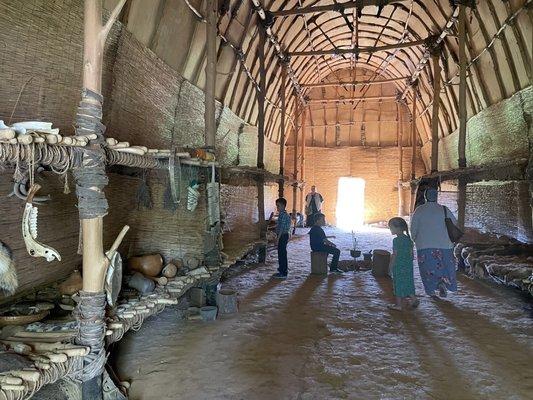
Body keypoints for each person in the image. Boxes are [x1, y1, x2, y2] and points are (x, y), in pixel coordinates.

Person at [410, 188, 458, 298]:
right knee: (444, 266)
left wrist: (414, 239)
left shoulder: (419, 210)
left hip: (425, 245)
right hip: (445, 245)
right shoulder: (444, 209)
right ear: (436, 197)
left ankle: (431, 290)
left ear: (426, 196)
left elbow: (413, 228)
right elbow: (454, 223)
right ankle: (442, 283)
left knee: (428, 269)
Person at [387, 217, 419, 311]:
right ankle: (414, 299)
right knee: (407, 282)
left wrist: (390, 266)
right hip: (408, 266)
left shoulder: (396, 241)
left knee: (398, 284)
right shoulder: (408, 240)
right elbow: (412, 255)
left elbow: (394, 255)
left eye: (391, 228)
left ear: (397, 228)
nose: (390, 230)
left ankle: (399, 305)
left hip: (399, 265)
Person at [273, 198, 291, 279]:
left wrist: (277, 239)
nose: (277, 207)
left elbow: (281, 229)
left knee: (282, 254)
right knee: (281, 253)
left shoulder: (283, 215)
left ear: (283, 206)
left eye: (278, 206)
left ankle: (283, 273)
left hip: (283, 236)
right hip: (283, 235)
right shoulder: (282, 214)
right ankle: (282, 270)